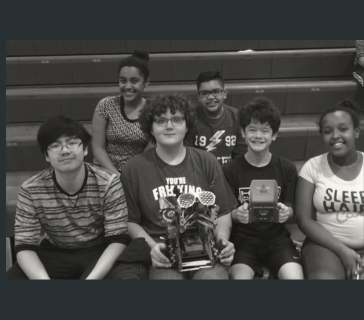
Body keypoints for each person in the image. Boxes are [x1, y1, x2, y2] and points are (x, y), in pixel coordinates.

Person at [6, 116, 141, 280]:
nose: (64, 151)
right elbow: (24, 246)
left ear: (84, 149)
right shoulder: (31, 189)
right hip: (55, 251)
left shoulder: (108, 182)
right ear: (46, 155)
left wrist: (91, 279)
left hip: (99, 249)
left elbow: (117, 239)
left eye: (71, 143)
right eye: (55, 146)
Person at [121, 94, 237, 279]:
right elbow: (130, 221)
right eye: (160, 120)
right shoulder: (134, 168)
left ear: (187, 125)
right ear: (150, 127)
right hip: (164, 251)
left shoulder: (207, 161)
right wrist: (153, 248)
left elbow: (223, 212)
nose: (169, 126)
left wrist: (222, 241)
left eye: (176, 119)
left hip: (205, 248)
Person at [222, 96, 304, 280]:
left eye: (265, 131)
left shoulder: (287, 168)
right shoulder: (230, 169)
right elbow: (227, 212)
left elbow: (292, 207)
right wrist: (237, 214)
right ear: (243, 132)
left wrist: (286, 212)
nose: (258, 136)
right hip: (243, 242)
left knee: (295, 278)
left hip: (277, 240)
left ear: (274, 135)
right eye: (252, 129)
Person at [295, 100, 364, 279]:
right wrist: (342, 250)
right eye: (328, 131)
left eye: (343, 129)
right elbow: (304, 220)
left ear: (356, 131)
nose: (335, 135)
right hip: (325, 246)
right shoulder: (313, 167)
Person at [92, 50, 153, 177]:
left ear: (146, 82)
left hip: (137, 171)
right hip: (105, 171)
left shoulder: (153, 110)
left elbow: (149, 152)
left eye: (134, 81)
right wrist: (116, 176)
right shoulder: (105, 105)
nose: (127, 86)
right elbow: (98, 148)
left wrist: (130, 174)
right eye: (123, 80)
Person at [184, 70, 248, 166]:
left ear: (225, 93)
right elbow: (188, 156)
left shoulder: (238, 117)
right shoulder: (190, 118)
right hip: (200, 175)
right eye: (205, 93)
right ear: (198, 96)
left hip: (229, 175)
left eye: (216, 92)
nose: (210, 97)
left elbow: (240, 156)